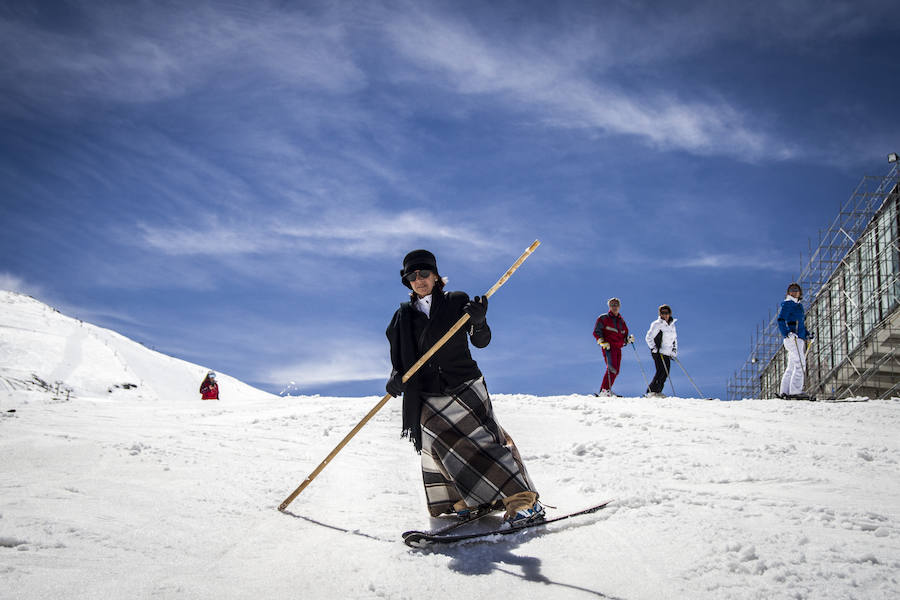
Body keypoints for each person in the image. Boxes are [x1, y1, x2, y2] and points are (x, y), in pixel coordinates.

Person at [385, 249, 543, 526]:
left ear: (435, 276)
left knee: (488, 442)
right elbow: (399, 358)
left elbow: (481, 341)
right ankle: (472, 500)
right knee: (442, 448)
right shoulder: (403, 316)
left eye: (424, 273)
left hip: (464, 383)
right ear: (408, 281)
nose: (419, 279)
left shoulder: (456, 301)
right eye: (413, 276)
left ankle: (524, 502)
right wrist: (396, 376)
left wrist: (479, 321)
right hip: (428, 393)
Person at [592, 297, 633, 396]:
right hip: (609, 347)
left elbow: (624, 337)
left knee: (616, 370)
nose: (614, 307)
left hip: (618, 348)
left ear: (619, 307)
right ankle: (604, 390)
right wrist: (601, 341)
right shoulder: (604, 318)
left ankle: (606, 390)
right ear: (609, 306)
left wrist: (628, 340)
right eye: (612, 305)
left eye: (616, 305)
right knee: (612, 368)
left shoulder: (621, 322)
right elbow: (597, 331)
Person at [777, 282, 809, 398]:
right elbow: (781, 320)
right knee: (800, 364)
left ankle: (784, 391)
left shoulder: (798, 306)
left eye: (796, 290)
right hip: (793, 339)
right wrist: (787, 333)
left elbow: (800, 325)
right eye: (791, 290)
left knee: (791, 366)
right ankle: (795, 391)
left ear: (800, 292)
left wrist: (808, 335)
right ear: (788, 293)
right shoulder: (789, 303)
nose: (794, 292)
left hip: (798, 338)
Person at [644, 305, 677, 398]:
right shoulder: (657, 324)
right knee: (660, 371)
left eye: (666, 313)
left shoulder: (672, 325)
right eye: (662, 313)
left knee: (666, 373)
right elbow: (648, 337)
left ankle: (658, 391)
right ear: (660, 314)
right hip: (658, 351)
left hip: (667, 352)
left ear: (669, 313)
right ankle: (651, 391)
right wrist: (653, 348)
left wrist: (674, 350)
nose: (665, 315)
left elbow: (674, 339)